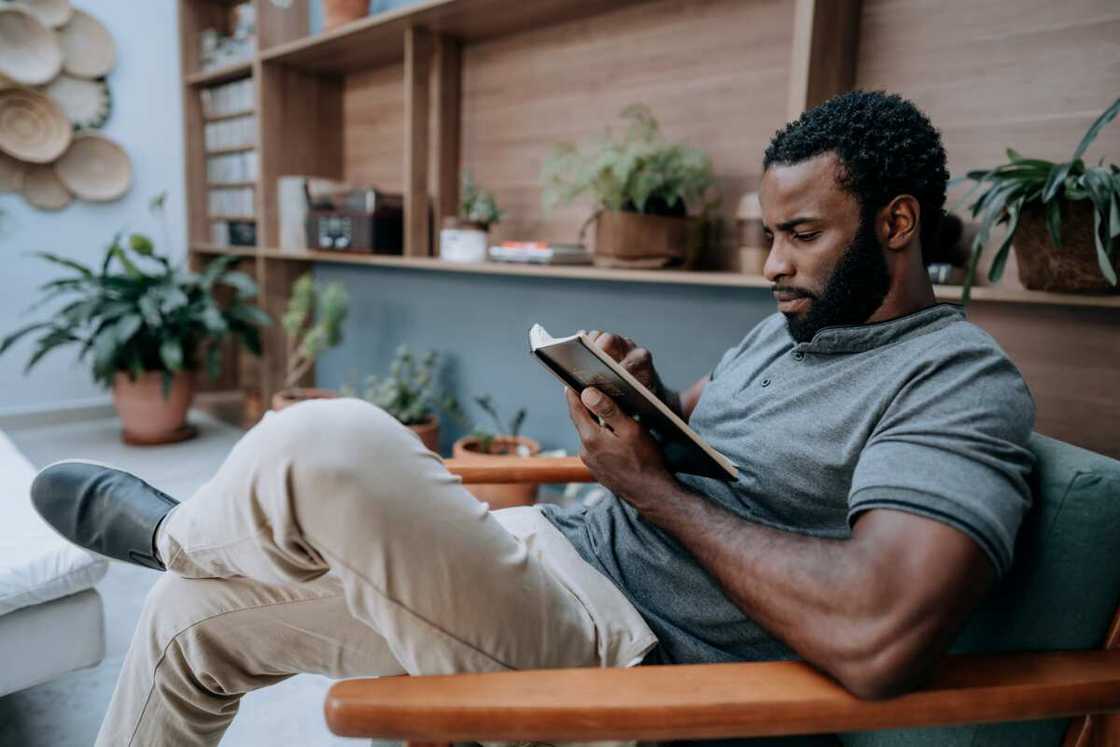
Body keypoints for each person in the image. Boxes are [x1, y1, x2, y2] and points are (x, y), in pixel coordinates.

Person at [32, 91, 1034, 746]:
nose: (771, 264)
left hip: (631, 652)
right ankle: (199, 554)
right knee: (181, 623)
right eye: (769, 235)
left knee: (326, 439)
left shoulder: (954, 382)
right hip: (556, 554)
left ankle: (175, 533)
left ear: (896, 224)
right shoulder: (795, 326)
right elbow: (741, 455)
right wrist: (652, 403)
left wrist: (647, 489)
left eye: (800, 235)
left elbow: (877, 633)